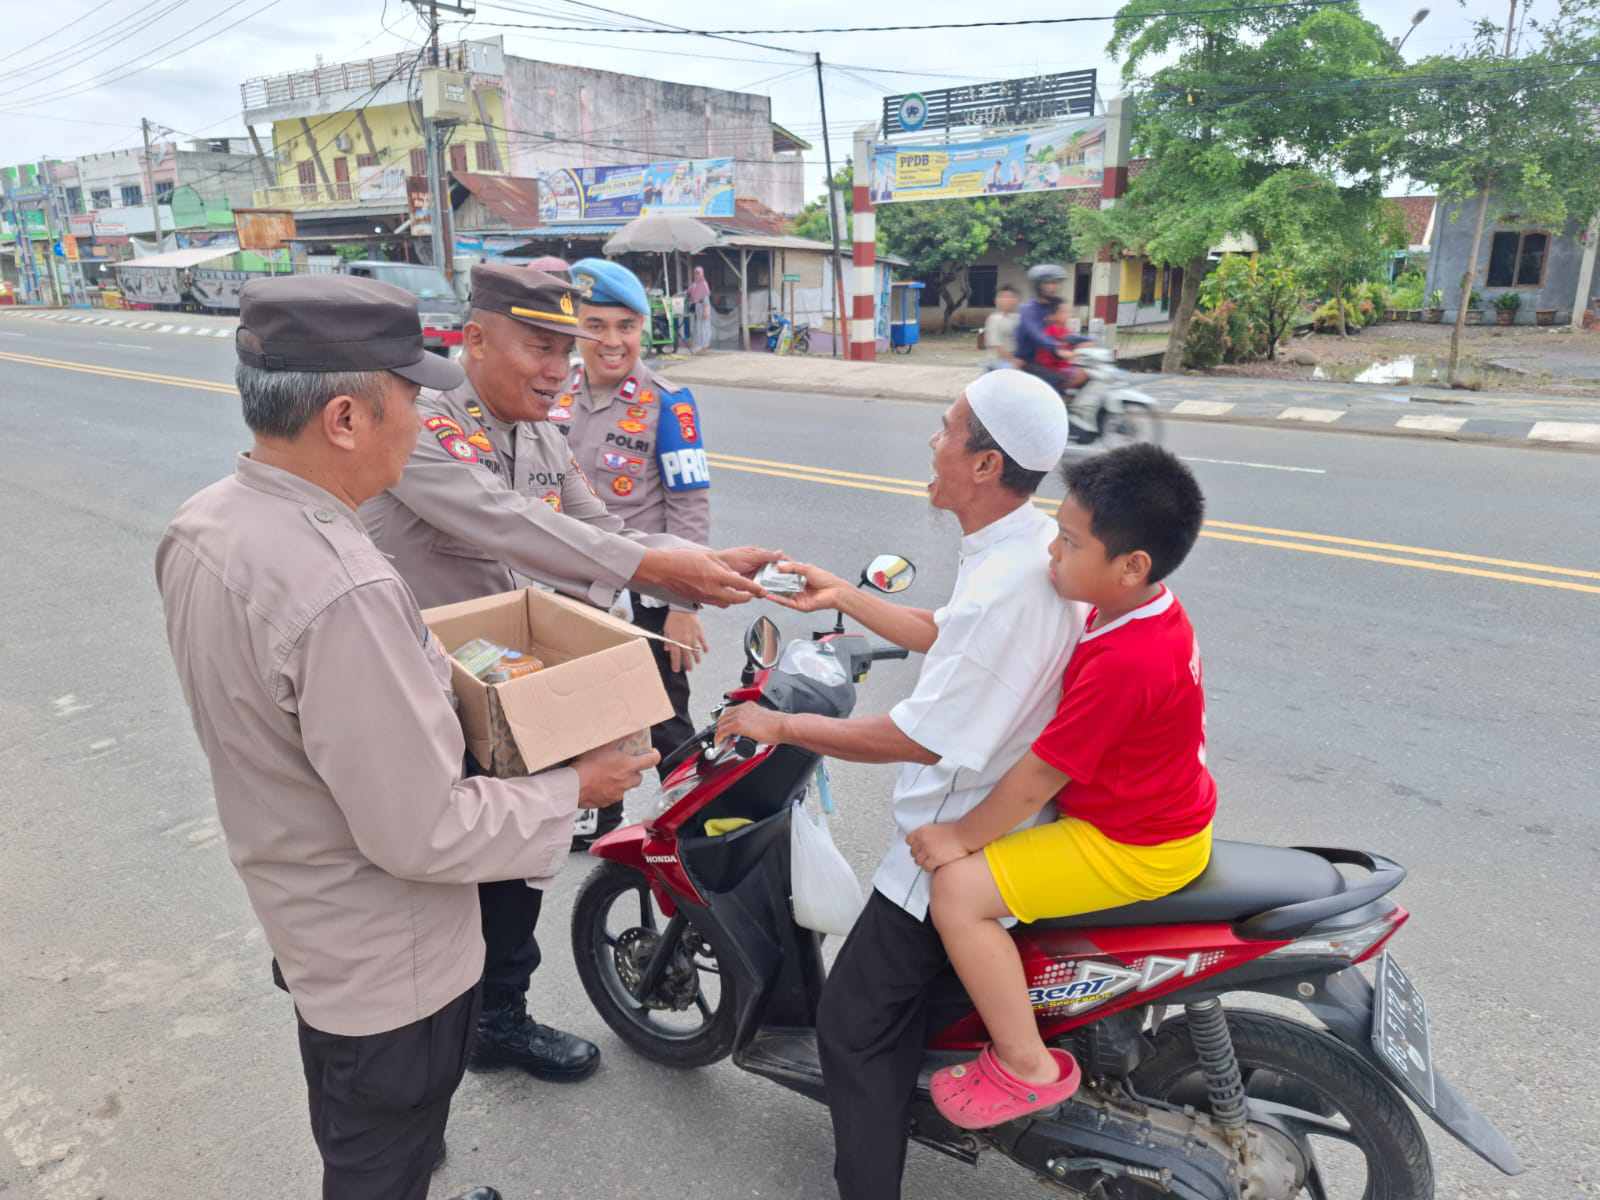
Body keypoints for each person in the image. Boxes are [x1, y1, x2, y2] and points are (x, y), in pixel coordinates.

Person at [155, 274, 657, 1200]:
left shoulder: (208, 522)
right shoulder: (346, 588)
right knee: (381, 1147)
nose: (426, 421)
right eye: (411, 400)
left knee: (362, 1121)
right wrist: (574, 790)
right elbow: (423, 830)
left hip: (303, 900)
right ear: (346, 417)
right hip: (389, 955)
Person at [360, 261, 779, 1085]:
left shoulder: (540, 431)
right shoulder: (426, 424)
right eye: (541, 348)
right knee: (426, 895)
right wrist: (665, 573)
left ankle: (499, 1021)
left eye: (568, 349)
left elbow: (597, 521)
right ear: (475, 338)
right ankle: (410, 1091)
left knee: (518, 867)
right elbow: (510, 524)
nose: (561, 370)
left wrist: (707, 562)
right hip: (414, 692)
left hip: (510, 688)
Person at [715, 370, 1083, 1200]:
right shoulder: (1022, 547)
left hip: (945, 849)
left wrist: (781, 727)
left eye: (948, 429)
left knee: (851, 1029)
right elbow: (941, 632)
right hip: (1005, 823)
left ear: (986, 465)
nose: (934, 440)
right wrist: (842, 595)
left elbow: (914, 735)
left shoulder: (1010, 585)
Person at [907, 444, 1216, 1130]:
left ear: (1131, 567)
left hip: (1133, 843)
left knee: (957, 891)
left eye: (1070, 542)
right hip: (1157, 812)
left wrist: (953, 837)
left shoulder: (1127, 661)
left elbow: (1037, 777)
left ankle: (1025, 1064)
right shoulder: (1139, 610)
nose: (1051, 550)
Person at [561, 258, 710, 844]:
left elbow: (690, 506)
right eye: (596, 325)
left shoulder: (668, 403)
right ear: (575, 328)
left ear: (643, 329)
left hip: (648, 590)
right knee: (578, 708)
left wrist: (685, 603)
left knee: (666, 715)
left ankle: (691, 823)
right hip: (573, 585)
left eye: (626, 326)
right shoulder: (555, 393)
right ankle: (596, 816)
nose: (612, 341)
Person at [980, 285, 1021, 372]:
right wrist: (1014, 361)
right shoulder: (994, 319)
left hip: (1017, 358)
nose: (1007, 301)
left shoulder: (1019, 318)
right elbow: (997, 347)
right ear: (997, 300)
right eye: (1003, 297)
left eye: (1011, 297)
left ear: (1016, 300)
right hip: (998, 360)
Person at [686, 264, 713, 353]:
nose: (697, 275)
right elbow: (688, 292)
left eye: (698, 273)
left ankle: (705, 345)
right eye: (695, 273)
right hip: (697, 307)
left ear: (702, 274)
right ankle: (701, 345)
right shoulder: (694, 285)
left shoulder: (704, 284)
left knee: (704, 326)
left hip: (704, 306)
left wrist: (706, 310)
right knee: (699, 326)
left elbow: (706, 299)